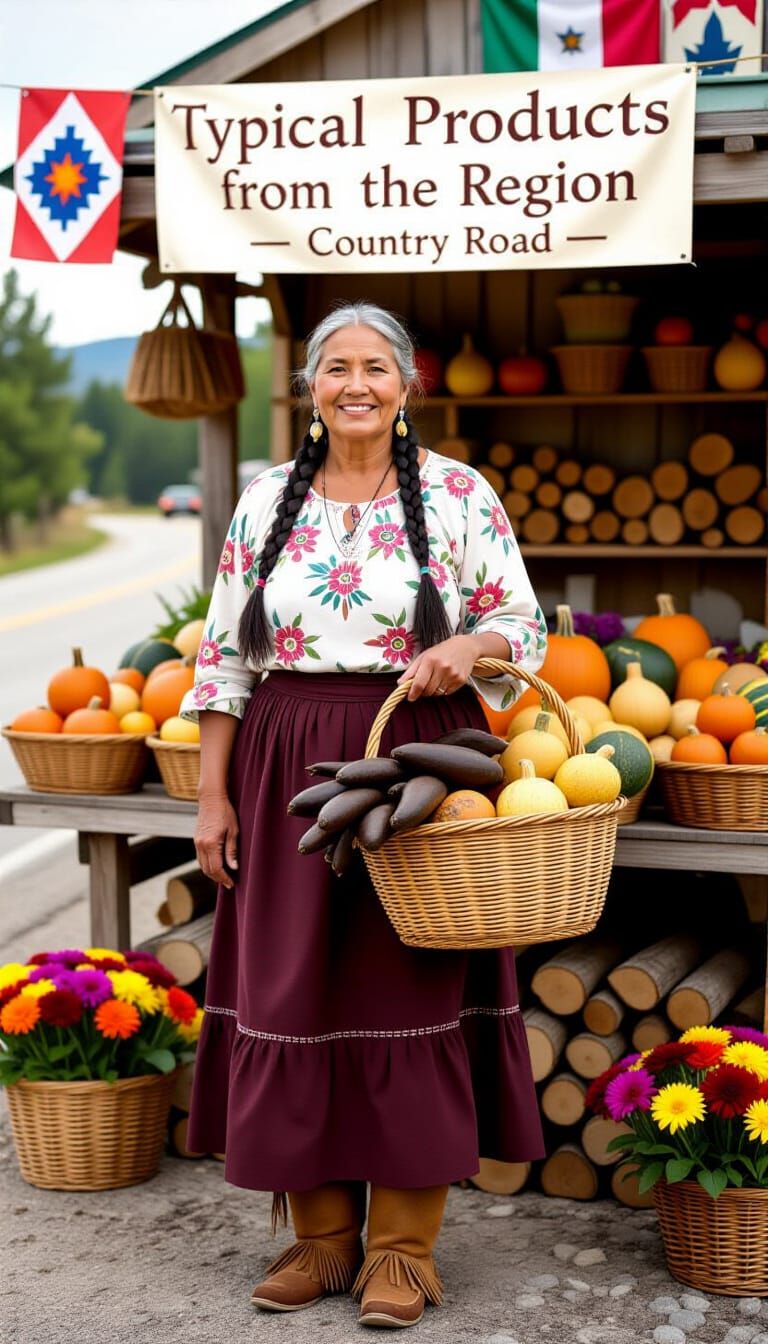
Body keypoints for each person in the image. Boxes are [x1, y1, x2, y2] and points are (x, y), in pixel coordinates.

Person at [180, 301, 548, 1329]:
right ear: (307, 388)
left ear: (405, 386)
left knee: (406, 982)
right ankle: (322, 1243)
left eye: (375, 368)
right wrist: (212, 795)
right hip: (284, 760)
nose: (356, 384)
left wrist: (467, 650)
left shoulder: (461, 494)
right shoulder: (263, 505)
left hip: (418, 755)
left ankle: (402, 1251)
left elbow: (522, 621)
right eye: (335, 367)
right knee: (295, 987)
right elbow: (222, 660)